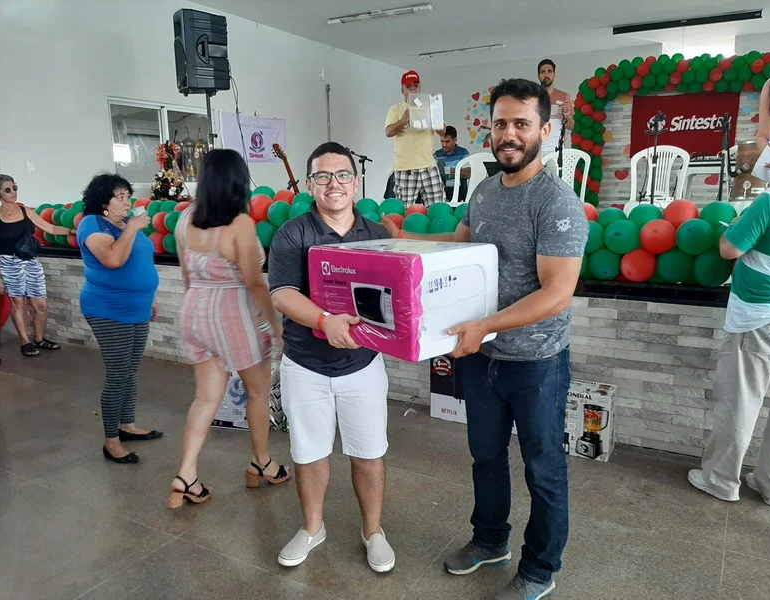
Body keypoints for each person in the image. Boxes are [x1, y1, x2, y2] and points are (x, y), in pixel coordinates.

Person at [381, 79, 588, 599]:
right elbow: (461, 246)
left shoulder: (556, 201)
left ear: (544, 130)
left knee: (543, 469)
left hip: (537, 361)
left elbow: (556, 293)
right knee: (486, 457)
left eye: (521, 124)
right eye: (500, 124)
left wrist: (485, 326)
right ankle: (490, 540)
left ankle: (540, 569)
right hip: (483, 355)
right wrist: (405, 239)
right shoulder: (486, 191)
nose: (508, 134)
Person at [269, 142, 395, 573]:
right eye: (323, 176)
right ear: (310, 185)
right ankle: (312, 528)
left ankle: (373, 532)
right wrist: (324, 321)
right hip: (305, 365)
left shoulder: (378, 235)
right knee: (308, 454)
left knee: (369, 453)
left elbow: (398, 296)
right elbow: (282, 294)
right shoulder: (293, 234)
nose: (333, 184)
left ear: (356, 183)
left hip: (363, 366)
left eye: (342, 175)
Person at [168, 149, 289, 509]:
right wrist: (276, 326)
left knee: (206, 398)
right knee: (258, 392)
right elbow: (254, 283)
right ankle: (261, 462)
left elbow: (187, 275)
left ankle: (186, 474)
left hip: (195, 309)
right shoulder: (240, 224)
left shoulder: (185, 218)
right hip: (233, 312)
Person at [688, 180, 770, 508]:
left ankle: (720, 480)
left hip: (762, 315)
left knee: (740, 402)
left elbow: (730, 249)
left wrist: (735, 226)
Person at [78, 173, 163, 464]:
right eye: (120, 197)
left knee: (131, 369)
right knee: (118, 373)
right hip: (108, 308)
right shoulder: (92, 224)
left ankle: (127, 425)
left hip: (138, 306)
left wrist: (150, 297)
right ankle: (111, 441)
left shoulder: (125, 224)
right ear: (104, 202)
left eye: (129, 196)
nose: (128, 202)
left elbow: (141, 260)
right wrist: (133, 228)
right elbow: (113, 260)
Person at [0, 174, 72, 357]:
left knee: (41, 305)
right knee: (18, 304)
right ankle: (25, 342)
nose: (13, 192)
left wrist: (72, 231)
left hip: (30, 261)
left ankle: (39, 338)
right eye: (8, 189)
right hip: (8, 263)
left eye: (15, 187)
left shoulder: (25, 211)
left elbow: (50, 228)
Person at [385, 70, 447, 208]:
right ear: (402, 90)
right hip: (405, 168)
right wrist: (403, 121)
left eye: (416, 85)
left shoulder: (430, 106)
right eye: (408, 86)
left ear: (420, 87)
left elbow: (443, 132)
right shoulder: (396, 109)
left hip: (429, 165)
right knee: (405, 210)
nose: (413, 89)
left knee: (438, 208)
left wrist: (433, 117)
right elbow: (388, 132)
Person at [537, 60, 575, 157]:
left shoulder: (564, 96)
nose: (546, 75)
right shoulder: (532, 97)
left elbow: (571, 126)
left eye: (549, 71)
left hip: (556, 151)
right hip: (536, 151)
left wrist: (566, 113)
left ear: (554, 75)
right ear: (538, 76)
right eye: (543, 72)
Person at [434, 125, 471, 201]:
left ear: (455, 140)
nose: (444, 145)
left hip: (458, 189)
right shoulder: (436, 154)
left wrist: (456, 171)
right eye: (442, 141)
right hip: (440, 189)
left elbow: (468, 174)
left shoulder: (463, 153)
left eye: (447, 141)